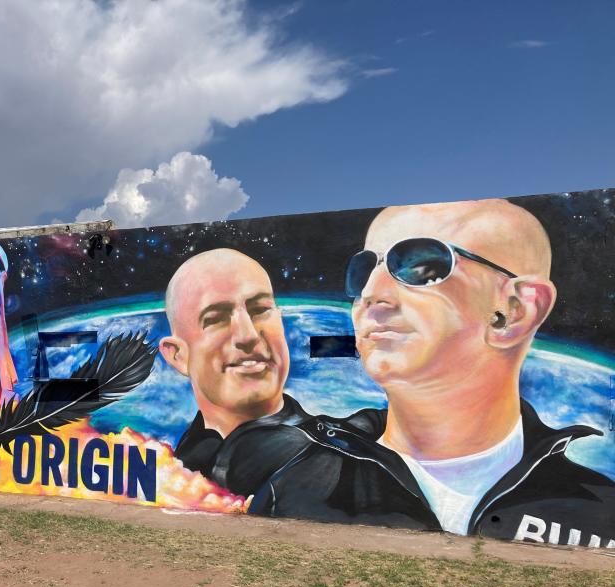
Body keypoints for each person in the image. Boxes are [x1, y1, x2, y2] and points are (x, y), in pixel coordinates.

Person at [249, 199, 615, 546]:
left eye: (419, 268)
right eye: (363, 271)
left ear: (514, 311)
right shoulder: (296, 485)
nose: (371, 294)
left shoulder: (598, 510)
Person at [159, 248, 314, 497]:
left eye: (261, 309)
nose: (248, 335)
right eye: (216, 319)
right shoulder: (185, 463)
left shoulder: (339, 467)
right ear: (178, 356)